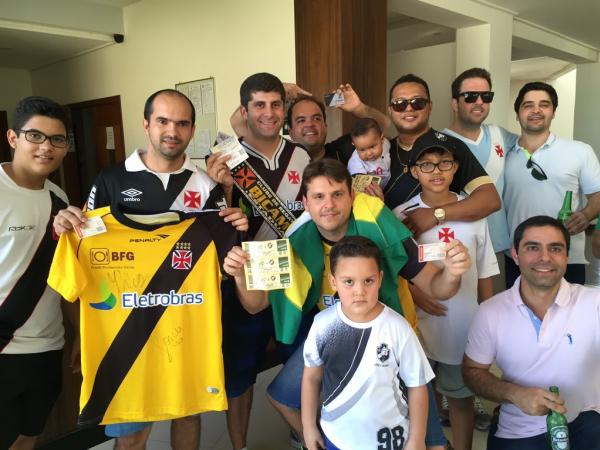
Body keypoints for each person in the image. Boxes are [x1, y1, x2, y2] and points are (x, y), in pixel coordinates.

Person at [224, 158, 473, 450]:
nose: (328, 205)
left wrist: (453, 273)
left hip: (391, 337)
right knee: (282, 396)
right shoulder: (295, 242)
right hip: (337, 336)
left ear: (352, 196)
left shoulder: (379, 226)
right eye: (319, 196)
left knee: (432, 442)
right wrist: (240, 276)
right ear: (306, 203)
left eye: (337, 194)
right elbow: (256, 305)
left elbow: (437, 287)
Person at [52, 88, 247, 450]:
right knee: (132, 434)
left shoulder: (206, 184)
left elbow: (220, 247)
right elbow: (85, 249)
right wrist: (64, 225)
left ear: (192, 130)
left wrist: (230, 204)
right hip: (127, 327)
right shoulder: (111, 180)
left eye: (182, 123)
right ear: (146, 124)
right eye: (163, 121)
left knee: (187, 415)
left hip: (184, 324)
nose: (172, 130)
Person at [393, 135, 499, 450]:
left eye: (444, 163)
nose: (436, 171)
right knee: (422, 398)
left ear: (455, 168)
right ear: (414, 171)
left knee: (461, 399)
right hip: (419, 323)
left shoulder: (472, 211)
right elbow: (395, 268)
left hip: (462, 324)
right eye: (426, 165)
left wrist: (489, 319)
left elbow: (486, 269)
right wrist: (415, 293)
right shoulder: (401, 215)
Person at [463, 215, 600, 450]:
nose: (544, 257)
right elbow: (472, 372)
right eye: (533, 248)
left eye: (555, 248)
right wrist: (514, 394)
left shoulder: (593, 302)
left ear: (567, 256)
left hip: (587, 421)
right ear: (515, 255)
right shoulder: (490, 312)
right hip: (520, 430)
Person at [301, 236, 434, 450]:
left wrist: (417, 439)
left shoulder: (398, 328)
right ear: (333, 281)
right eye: (349, 281)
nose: (359, 291)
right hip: (336, 439)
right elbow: (311, 377)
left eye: (368, 281)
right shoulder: (322, 325)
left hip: (390, 441)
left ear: (380, 279)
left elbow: (417, 385)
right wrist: (308, 427)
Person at [0, 96, 70, 450]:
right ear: (13, 138)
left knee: (29, 435)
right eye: (35, 136)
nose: (46, 147)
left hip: (47, 344)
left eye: (57, 139)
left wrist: (77, 333)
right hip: (4, 346)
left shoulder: (59, 197)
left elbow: (65, 273)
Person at [503, 81, 600, 287]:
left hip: (566, 257)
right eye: (528, 105)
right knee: (517, 309)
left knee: (569, 309)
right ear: (517, 113)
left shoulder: (579, 150)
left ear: (553, 112)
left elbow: (597, 195)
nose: (536, 110)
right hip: (518, 258)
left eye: (544, 105)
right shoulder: (504, 154)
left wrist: (586, 214)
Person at [383, 73, 500, 237]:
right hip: (390, 244)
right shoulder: (381, 151)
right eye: (400, 104)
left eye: (418, 102)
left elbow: (490, 199)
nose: (409, 108)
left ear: (430, 106)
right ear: (390, 110)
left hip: (444, 243)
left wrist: (436, 214)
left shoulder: (451, 147)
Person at [443, 67, 518, 254]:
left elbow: (532, 144)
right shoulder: (439, 144)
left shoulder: (499, 134)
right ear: (454, 104)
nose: (479, 102)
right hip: (457, 245)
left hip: (498, 245)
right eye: (470, 96)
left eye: (486, 96)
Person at [347, 117, 391, 188]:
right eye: (362, 150)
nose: (369, 153)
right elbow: (360, 187)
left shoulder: (387, 144)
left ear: (382, 139)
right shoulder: (355, 162)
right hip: (369, 191)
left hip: (389, 185)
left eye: (372, 147)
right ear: (355, 145)